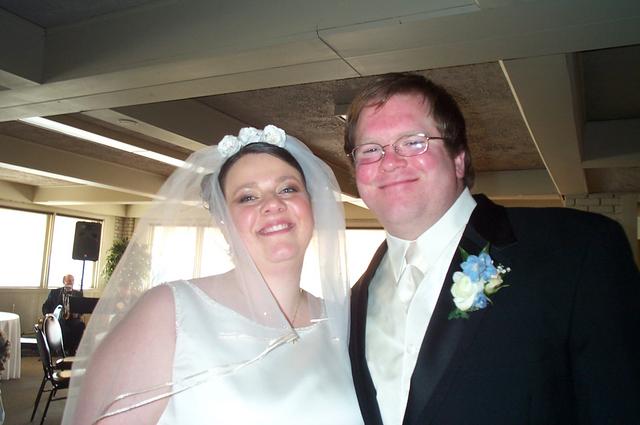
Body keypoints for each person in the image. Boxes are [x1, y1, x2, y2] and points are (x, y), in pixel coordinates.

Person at [344, 72, 640, 425]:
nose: (389, 161)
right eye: (370, 149)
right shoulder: (352, 302)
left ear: (459, 159)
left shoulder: (578, 247)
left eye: (413, 142)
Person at [63, 125, 363, 425]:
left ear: (311, 204)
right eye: (247, 197)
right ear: (223, 219)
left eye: (288, 189)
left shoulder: (341, 320)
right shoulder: (170, 313)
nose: (273, 204)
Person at [42, 274, 86, 355]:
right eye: (68, 280)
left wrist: (78, 314)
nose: (70, 282)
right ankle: (62, 349)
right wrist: (49, 315)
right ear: (64, 281)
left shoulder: (78, 294)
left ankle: (73, 350)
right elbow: (46, 306)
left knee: (80, 325)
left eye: (72, 281)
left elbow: (82, 309)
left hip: (73, 319)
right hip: (58, 319)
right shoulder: (55, 293)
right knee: (63, 326)